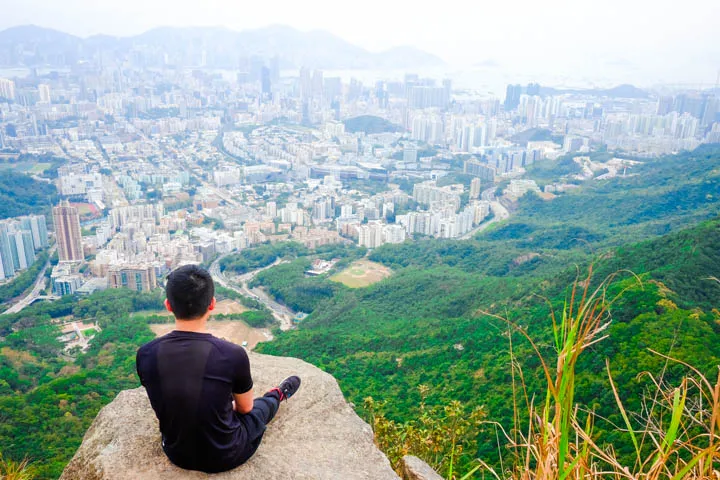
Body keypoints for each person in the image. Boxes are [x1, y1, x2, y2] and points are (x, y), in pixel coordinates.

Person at [136, 264, 301, 473]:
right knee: (258, 410)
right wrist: (226, 408)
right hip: (227, 454)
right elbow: (245, 409)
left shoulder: (146, 353)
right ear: (212, 304)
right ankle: (278, 395)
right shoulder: (232, 355)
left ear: (168, 305)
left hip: (176, 452)